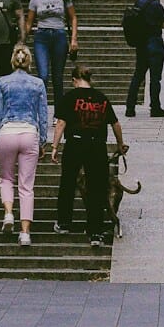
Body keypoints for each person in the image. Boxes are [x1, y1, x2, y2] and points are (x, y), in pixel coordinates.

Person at [52, 62, 122, 246]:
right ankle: (95, 231)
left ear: (75, 80)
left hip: (75, 143)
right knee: (97, 186)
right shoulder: (101, 98)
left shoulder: (69, 97)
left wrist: (54, 146)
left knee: (68, 182)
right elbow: (115, 123)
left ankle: (64, 222)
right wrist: (120, 144)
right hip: (97, 145)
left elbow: (61, 123)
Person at [0, 43, 49, 246]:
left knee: (6, 178)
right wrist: (42, 141)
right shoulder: (38, 83)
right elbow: (43, 114)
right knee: (26, 186)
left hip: (7, 132)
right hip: (29, 132)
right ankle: (25, 233)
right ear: (29, 62)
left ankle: (8, 213)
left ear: (13, 61)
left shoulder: (2, 82)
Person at [25, 0, 78, 106]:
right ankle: (40, 108)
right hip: (41, 36)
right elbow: (29, 22)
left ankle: (58, 112)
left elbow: (73, 17)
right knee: (42, 75)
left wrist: (73, 39)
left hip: (59, 35)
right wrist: (22, 41)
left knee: (58, 76)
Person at [125, 0, 164, 119]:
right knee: (155, 78)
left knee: (138, 75)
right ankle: (155, 107)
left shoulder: (139, 2)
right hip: (154, 43)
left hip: (141, 43)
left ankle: (130, 107)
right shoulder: (156, 5)